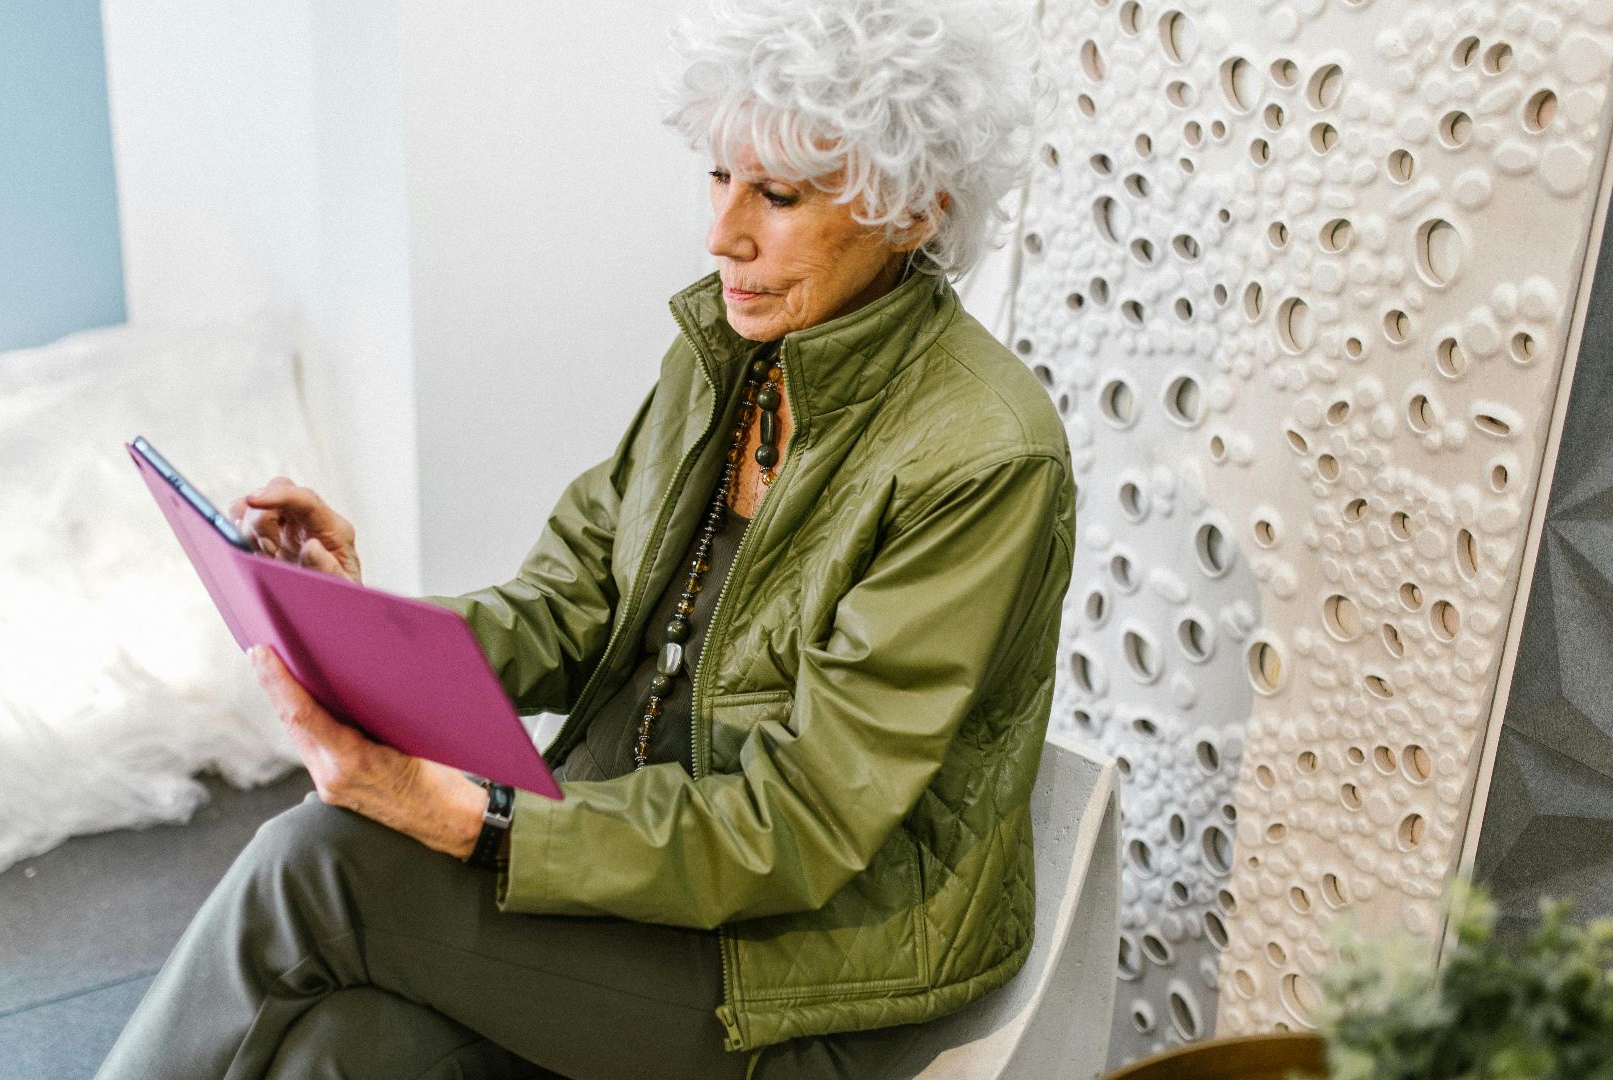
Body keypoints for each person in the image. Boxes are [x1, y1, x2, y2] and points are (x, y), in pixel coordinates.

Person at [96, 0, 1068, 1076]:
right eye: (719, 175)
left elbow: (800, 823)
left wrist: (484, 822)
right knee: (335, 1051)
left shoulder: (982, 453)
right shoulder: (731, 357)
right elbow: (566, 604)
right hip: (639, 885)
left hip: (810, 972)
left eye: (780, 195)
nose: (723, 232)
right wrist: (352, 624)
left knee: (315, 865)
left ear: (915, 208)